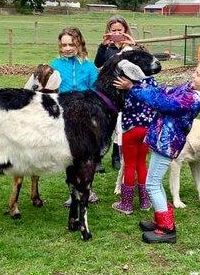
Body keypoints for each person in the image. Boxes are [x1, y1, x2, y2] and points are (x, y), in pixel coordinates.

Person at [114, 60, 200, 243]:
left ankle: (167, 228)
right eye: (195, 71)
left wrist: (133, 88)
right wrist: (141, 83)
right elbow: (165, 91)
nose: (193, 75)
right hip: (161, 141)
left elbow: (162, 102)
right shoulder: (190, 91)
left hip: (167, 144)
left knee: (152, 184)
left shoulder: (191, 100)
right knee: (155, 182)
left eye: (199, 74)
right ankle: (161, 218)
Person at [50, 27, 100, 206]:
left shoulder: (88, 66)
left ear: (79, 44)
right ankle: (72, 192)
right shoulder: (54, 65)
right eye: (64, 45)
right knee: (70, 156)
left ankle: (88, 189)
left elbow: (96, 89)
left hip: (86, 117)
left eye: (72, 44)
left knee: (87, 157)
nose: (68, 48)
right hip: (64, 117)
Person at [112, 65, 157, 215]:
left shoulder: (125, 85)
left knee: (130, 165)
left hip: (130, 130)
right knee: (142, 164)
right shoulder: (152, 83)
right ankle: (145, 201)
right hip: (147, 130)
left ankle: (127, 204)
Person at [94, 15, 136, 170]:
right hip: (107, 91)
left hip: (125, 90)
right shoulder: (107, 48)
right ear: (109, 31)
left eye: (120, 29)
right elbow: (97, 63)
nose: (117, 33)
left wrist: (132, 45)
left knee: (121, 123)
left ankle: (117, 157)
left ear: (125, 30)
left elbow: (137, 66)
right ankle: (98, 157)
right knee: (104, 125)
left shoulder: (130, 48)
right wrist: (103, 46)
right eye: (114, 30)